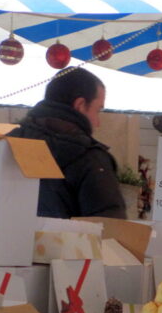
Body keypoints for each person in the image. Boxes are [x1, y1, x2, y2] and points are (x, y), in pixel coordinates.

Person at [9, 67, 126, 219]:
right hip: (61, 243)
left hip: (6, 242)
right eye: (97, 111)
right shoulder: (90, 159)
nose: (97, 123)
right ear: (80, 105)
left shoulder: (8, 144)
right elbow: (111, 229)